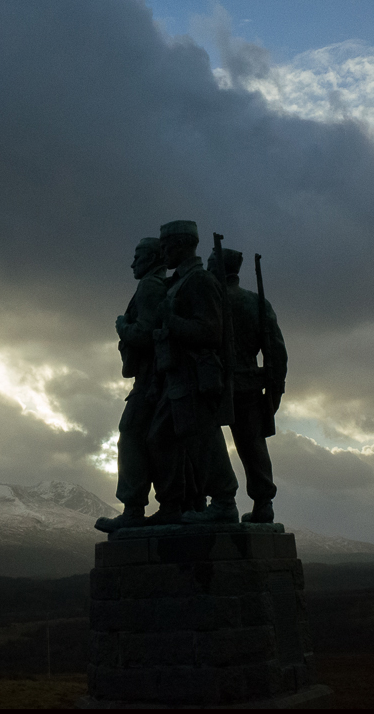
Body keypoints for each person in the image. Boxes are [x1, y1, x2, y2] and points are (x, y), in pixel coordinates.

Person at [151, 220, 239, 525]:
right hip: (175, 375)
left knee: (203, 438)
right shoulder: (180, 282)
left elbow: (211, 332)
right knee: (159, 438)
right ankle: (173, 505)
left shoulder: (199, 281)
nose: (163, 252)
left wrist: (171, 320)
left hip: (194, 375)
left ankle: (224, 501)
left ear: (180, 245)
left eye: (166, 246)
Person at [206, 247, 287, 523]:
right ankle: (263, 503)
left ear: (218, 268)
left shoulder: (211, 302)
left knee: (207, 441)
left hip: (214, 385)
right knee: (253, 446)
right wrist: (275, 391)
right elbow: (276, 352)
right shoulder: (256, 302)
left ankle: (216, 500)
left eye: (210, 263)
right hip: (249, 385)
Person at [95, 238, 167, 533]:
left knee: (131, 436)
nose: (132, 263)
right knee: (154, 440)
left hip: (151, 379)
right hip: (156, 377)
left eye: (138, 257)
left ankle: (133, 508)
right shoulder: (159, 285)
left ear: (152, 259)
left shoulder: (149, 286)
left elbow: (145, 332)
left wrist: (122, 327)